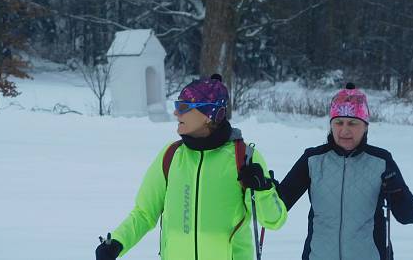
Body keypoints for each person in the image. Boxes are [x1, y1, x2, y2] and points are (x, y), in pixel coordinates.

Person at [96, 74, 287, 260]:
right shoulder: (171, 156)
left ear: (208, 114)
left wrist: (262, 190)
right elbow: (144, 213)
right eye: (177, 105)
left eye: (184, 106)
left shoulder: (243, 157)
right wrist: (117, 243)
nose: (176, 112)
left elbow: (274, 221)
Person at [274, 83, 413, 260]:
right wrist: (266, 190)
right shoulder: (313, 159)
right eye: (338, 122)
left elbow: (409, 216)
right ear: (331, 125)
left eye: (352, 123)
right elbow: (276, 209)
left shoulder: (381, 161)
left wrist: (398, 193)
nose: (344, 130)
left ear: (365, 126)